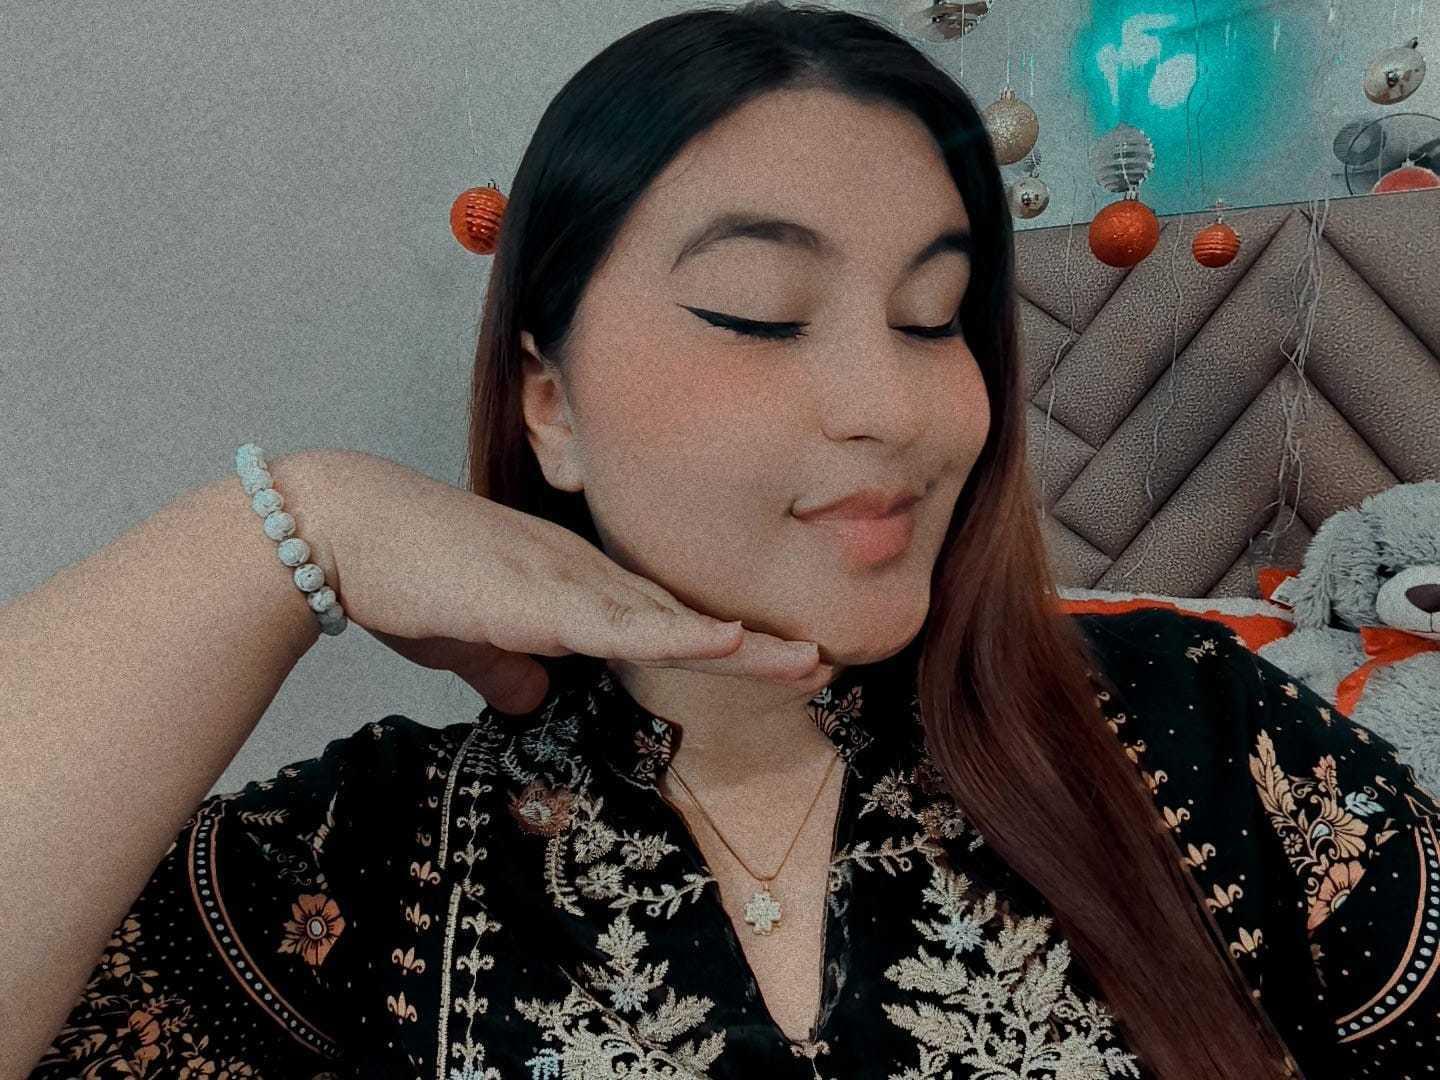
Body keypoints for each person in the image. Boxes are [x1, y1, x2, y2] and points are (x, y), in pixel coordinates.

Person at [4, 2, 1438, 1077]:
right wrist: (292, 525)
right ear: (549, 402)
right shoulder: (373, 857)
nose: (897, 408)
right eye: (760, 312)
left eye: (936, 317)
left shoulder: (1198, 731)